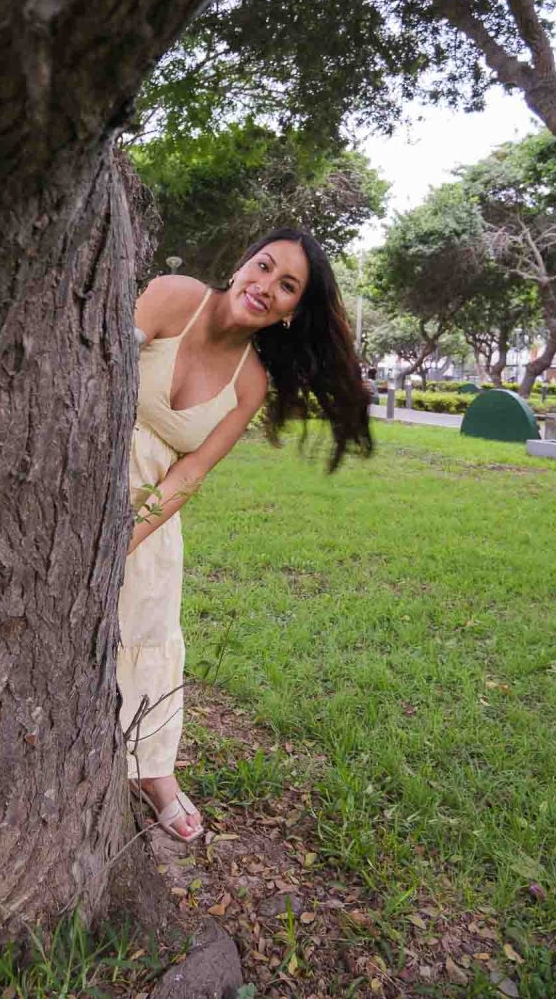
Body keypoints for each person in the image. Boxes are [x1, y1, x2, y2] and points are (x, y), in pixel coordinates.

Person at [117, 228, 371, 842]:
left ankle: (153, 771)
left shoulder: (250, 382)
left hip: (148, 516)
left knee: (148, 631)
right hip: (79, 479)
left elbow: (190, 472)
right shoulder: (174, 296)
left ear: (291, 312)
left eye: (287, 286)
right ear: (240, 266)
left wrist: (124, 540)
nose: (265, 286)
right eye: (264, 266)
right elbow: (95, 374)